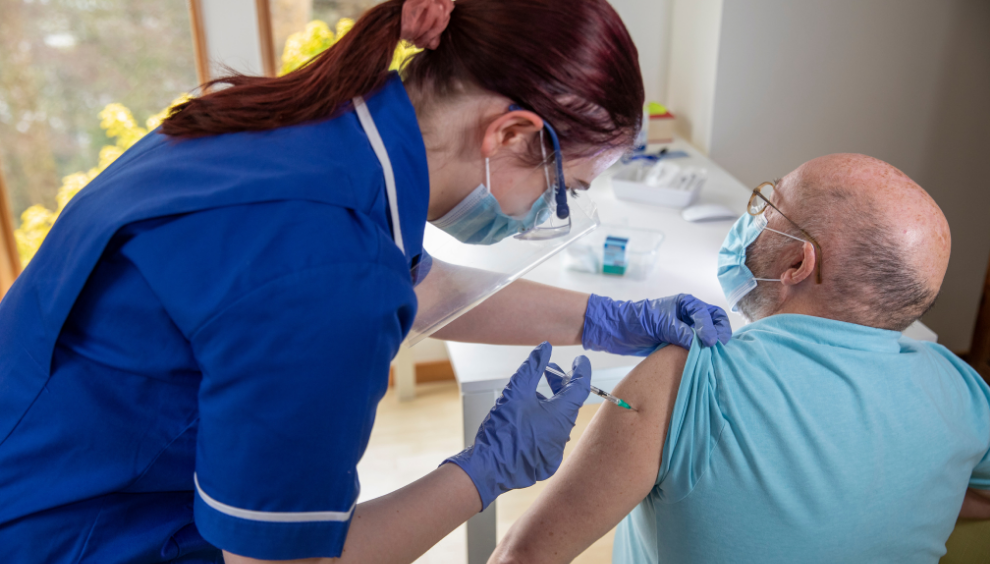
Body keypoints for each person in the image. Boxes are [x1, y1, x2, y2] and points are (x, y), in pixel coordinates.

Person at [0, 0, 732, 563]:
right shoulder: (330, 272)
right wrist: (484, 471)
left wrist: (609, 318)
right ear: (511, 135)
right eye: (564, 189)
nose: (553, 211)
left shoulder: (320, 129)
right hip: (64, 531)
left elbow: (422, 288)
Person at [489, 154, 990, 564]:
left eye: (768, 204)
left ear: (798, 263)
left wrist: (480, 470)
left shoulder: (686, 379)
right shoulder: (962, 389)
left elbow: (522, 557)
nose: (753, 219)